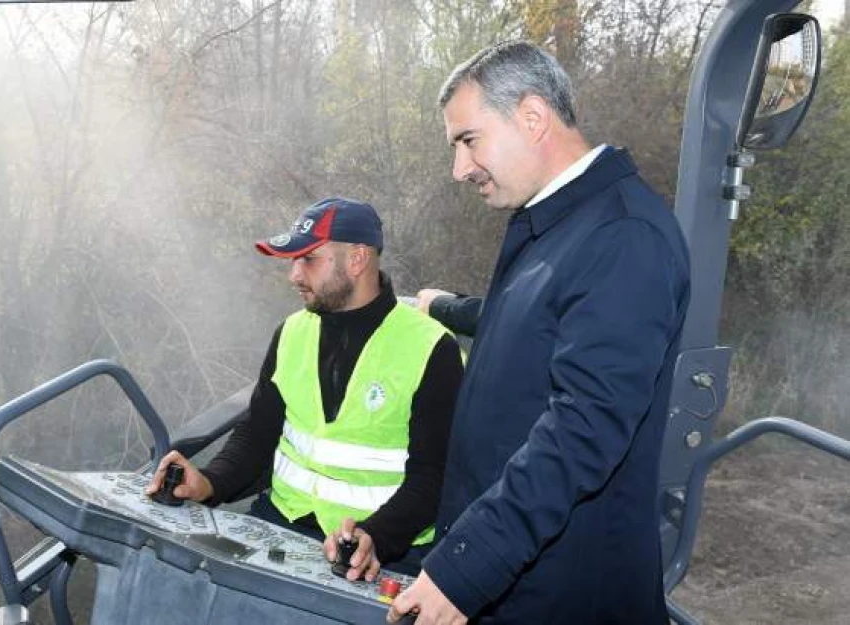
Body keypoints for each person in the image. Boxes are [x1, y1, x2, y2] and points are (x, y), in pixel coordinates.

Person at [387, 41, 691, 624]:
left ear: (532, 116)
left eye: (467, 141)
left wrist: (465, 567)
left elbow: (585, 427)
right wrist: (445, 307)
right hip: (519, 579)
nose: (460, 169)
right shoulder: (558, 222)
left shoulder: (624, 236)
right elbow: (531, 320)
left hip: (564, 595)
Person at [146, 198, 463, 580]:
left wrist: (375, 537)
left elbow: (434, 477)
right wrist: (209, 482)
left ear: (358, 259)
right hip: (279, 527)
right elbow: (258, 434)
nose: (294, 275)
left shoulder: (432, 349)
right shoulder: (292, 332)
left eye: (308, 259)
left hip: (381, 553)